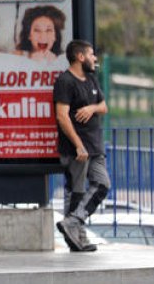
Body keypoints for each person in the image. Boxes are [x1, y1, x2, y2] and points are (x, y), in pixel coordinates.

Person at [53, 39, 109, 253]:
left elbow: (104, 106)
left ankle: (73, 221)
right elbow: (62, 116)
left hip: (95, 146)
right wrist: (78, 145)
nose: (95, 58)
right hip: (76, 150)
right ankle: (77, 240)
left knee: (102, 184)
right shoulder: (65, 81)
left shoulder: (91, 79)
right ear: (80, 56)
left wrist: (91, 109)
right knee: (76, 192)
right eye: (91, 54)